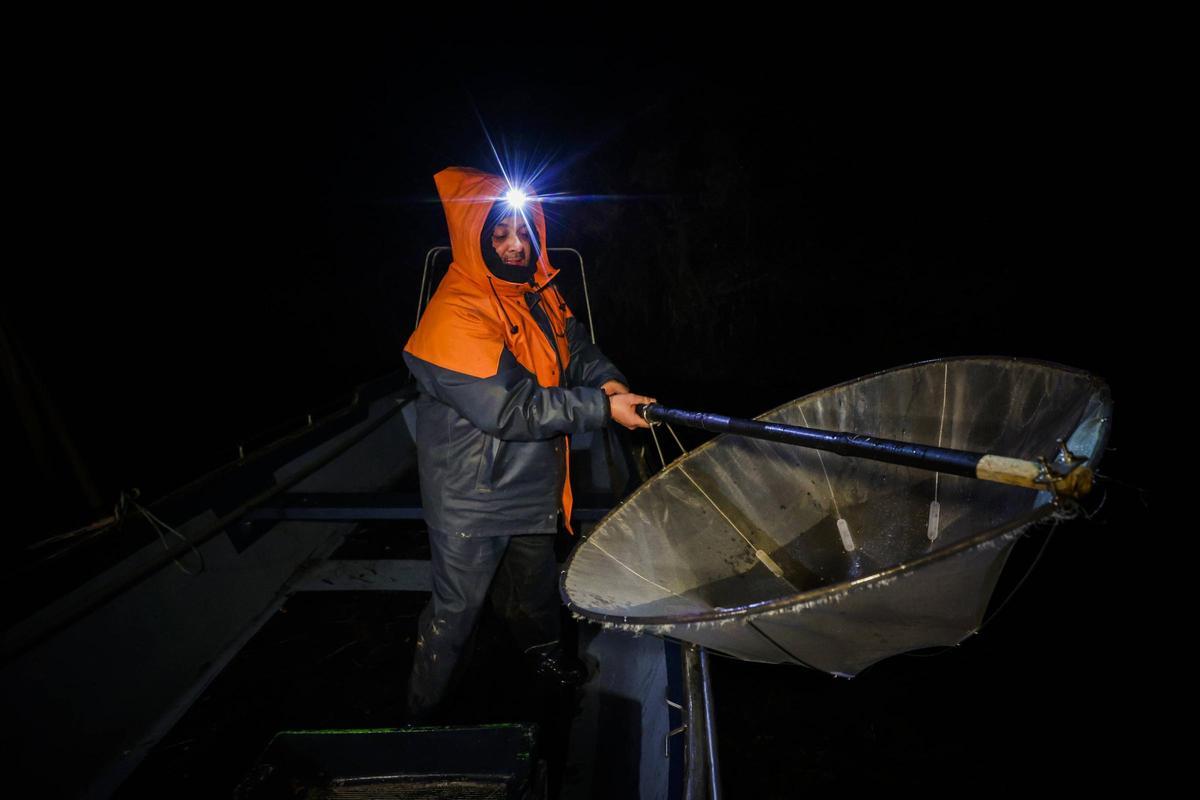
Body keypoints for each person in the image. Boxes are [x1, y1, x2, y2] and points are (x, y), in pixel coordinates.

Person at [402, 166, 654, 718]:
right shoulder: (453, 313)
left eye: (523, 231)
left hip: (533, 482)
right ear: (474, 236)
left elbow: (574, 343)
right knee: (456, 612)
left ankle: (544, 664)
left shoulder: (535, 287)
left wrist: (606, 380)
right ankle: (425, 710)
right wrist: (600, 409)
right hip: (471, 494)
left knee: (536, 593)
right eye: (499, 233)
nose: (516, 245)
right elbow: (511, 407)